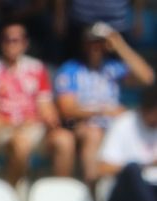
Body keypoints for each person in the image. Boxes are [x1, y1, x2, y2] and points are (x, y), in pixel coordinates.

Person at [54, 23, 154, 188]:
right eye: (91, 42)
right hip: (83, 125)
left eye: (100, 43)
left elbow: (148, 78)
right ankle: (93, 188)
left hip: (116, 125)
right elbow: (67, 109)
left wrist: (120, 46)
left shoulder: (113, 68)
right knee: (94, 133)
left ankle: (135, 188)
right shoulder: (70, 69)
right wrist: (103, 111)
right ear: (84, 44)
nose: (96, 47)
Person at [0, 22, 75, 185]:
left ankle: (60, 194)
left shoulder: (36, 68)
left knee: (65, 140)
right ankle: (12, 191)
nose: (12, 44)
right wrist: (16, 125)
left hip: (34, 127)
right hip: (4, 129)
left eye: (16, 40)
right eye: (7, 40)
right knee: (20, 144)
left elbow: (45, 105)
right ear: (1, 43)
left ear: (25, 43)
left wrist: (50, 119)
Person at [97, 84, 157, 201]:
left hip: (152, 190)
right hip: (123, 195)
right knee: (132, 169)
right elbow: (103, 168)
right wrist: (147, 164)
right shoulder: (124, 123)